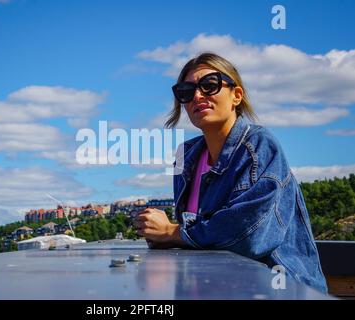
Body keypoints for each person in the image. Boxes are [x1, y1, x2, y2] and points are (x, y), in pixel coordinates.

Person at [134, 52, 328, 293]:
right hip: (212, 287)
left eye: (209, 85)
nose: (197, 95)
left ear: (236, 95)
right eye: (186, 90)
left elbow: (248, 236)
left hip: (274, 289)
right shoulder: (186, 155)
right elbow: (200, 236)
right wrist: (155, 230)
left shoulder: (259, 146)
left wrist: (172, 231)